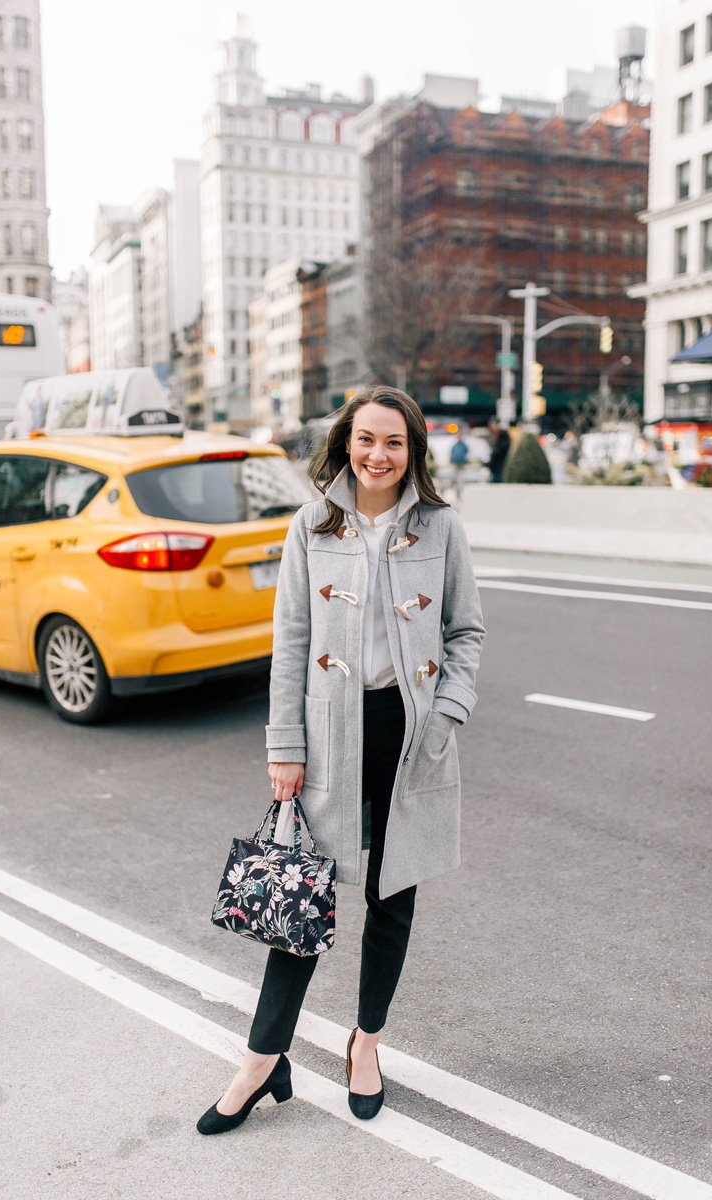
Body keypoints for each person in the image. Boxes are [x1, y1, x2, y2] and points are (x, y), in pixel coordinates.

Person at [197, 386, 485, 1134]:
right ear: (345, 444)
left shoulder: (441, 526)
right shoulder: (311, 524)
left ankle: (367, 1043)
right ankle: (263, 1057)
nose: (377, 455)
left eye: (393, 442)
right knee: (301, 896)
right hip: (332, 729)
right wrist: (284, 746)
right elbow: (290, 640)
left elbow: (466, 632)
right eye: (365, 440)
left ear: (413, 452)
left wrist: (446, 714)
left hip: (411, 730)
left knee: (393, 896)